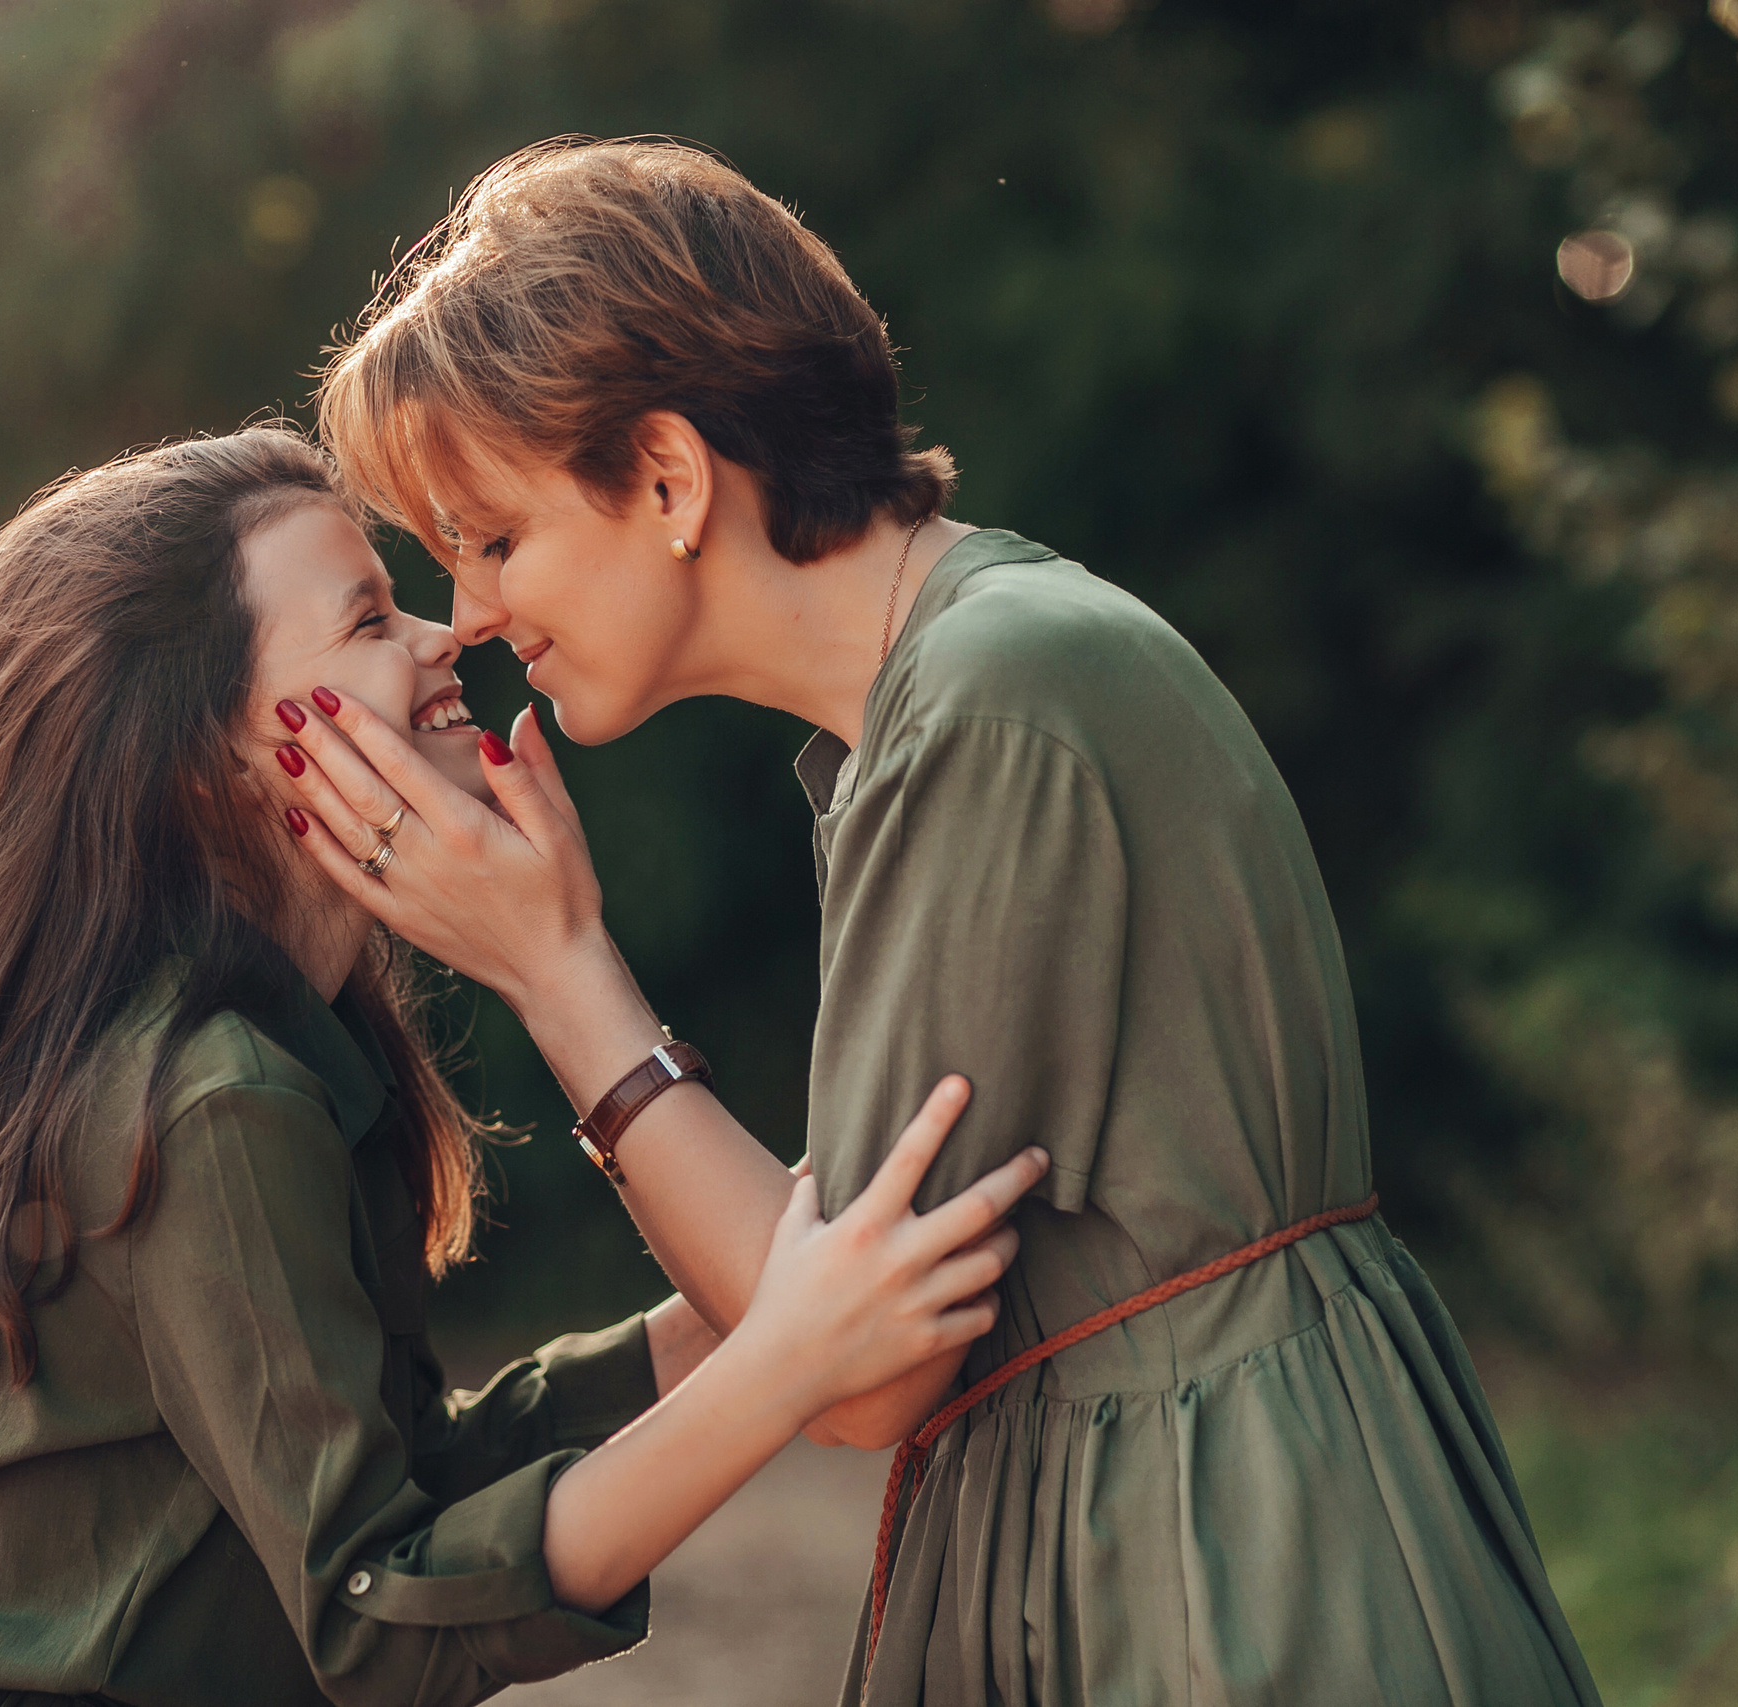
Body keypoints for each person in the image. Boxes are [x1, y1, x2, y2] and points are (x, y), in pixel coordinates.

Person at [276, 138, 1605, 1706]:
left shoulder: (997, 696)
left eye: (491, 540)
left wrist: (555, 968)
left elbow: (865, 1367)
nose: (476, 616)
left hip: (1226, 1568)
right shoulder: (933, 703)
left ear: (668, 478)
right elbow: (839, 1277)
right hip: (1165, 1524)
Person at [0, 423, 1050, 1707]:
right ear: (211, 759)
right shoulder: (215, 1094)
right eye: (369, 621)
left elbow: (418, 1477)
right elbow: (374, 1621)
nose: (441, 637)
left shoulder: (297, 1046)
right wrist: (778, 1366)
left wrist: (744, 1297)